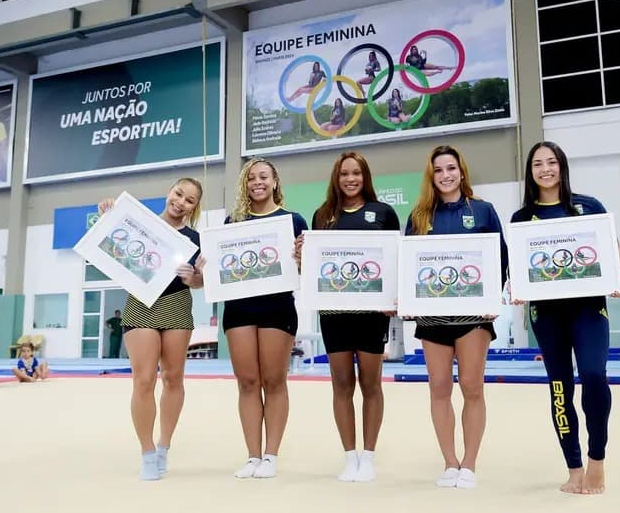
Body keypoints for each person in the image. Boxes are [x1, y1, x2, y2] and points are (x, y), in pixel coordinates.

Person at [510, 141, 620, 495]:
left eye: (551, 162)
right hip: (547, 315)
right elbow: (517, 270)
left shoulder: (588, 207)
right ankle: (574, 468)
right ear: (530, 172)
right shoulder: (521, 218)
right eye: (537, 164)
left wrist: (616, 276)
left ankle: (597, 460)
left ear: (561, 166)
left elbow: (616, 254)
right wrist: (516, 286)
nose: (545, 169)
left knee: (594, 375)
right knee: (560, 387)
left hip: (588, 309)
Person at [404, 145, 508, 489]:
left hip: (473, 317)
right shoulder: (419, 216)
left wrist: (493, 296)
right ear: (431, 176)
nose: (445, 175)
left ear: (462, 172)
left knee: (472, 387)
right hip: (432, 318)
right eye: (438, 170)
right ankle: (450, 463)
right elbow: (409, 265)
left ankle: (470, 464)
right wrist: (408, 299)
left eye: (451, 168)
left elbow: (500, 258)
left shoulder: (483, 211)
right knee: (439, 388)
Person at [294, 151, 400, 482]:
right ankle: (349, 456)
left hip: (372, 314)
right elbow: (314, 269)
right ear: (336, 178)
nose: (350, 179)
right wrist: (301, 259)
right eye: (344, 174)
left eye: (356, 173)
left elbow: (395, 261)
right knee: (341, 384)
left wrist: (394, 298)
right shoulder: (323, 215)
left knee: (370, 383)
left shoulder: (383, 213)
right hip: (334, 313)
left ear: (365, 177)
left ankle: (369, 457)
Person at [98, 177, 204, 481]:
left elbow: (201, 281)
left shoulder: (195, 240)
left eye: (189, 200)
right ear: (169, 192)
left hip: (176, 304)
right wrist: (109, 215)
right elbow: (111, 245)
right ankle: (146, 451)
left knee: (172, 377)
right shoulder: (137, 222)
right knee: (144, 380)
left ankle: (163, 447)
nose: (180, 202)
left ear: (195, 207)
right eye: (178, 194)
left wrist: (194, 278)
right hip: (141, 302)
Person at [222, 158, 308, 479]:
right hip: (239, 309)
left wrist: (303, 258)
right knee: (247, 382)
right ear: (245, 185)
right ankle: (252, 456)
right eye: (251, 178)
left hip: (277, 308)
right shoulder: (232, 222)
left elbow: (306, 268)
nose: (257, 182)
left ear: (274, 182)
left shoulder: (293, 220)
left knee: (274, 380)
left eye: (263, 177)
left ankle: (270, 456)